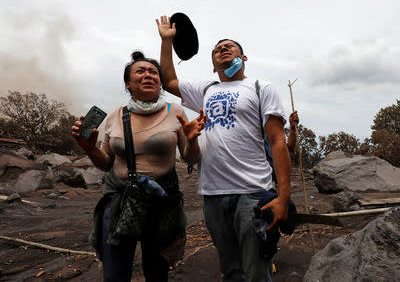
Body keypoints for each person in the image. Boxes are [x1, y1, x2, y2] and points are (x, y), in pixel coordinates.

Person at [157, 15, 291, 281]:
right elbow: (169, 82)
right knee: (230, 271)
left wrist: (283, 198)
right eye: (217, 50)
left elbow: (277, 141)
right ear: (213, 65)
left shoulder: (260, 87)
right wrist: (166, 42)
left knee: (256, 271)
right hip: (213, 195)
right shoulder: (206, 89)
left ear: (244, 58)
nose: (223, 49)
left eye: (229, 46)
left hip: (252, 192)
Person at [71, 51, 206, 282]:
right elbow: (106, 163)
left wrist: (192, 140)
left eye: (153, 72)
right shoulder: (116, 115)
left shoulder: (176, 112)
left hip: (161, 202)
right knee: (114, 273)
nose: (148, 75)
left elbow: (190, 159)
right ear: (128, 83)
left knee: (157, 272)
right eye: (140, 71)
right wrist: (91, 148)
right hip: (119, 201)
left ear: (160, 82)